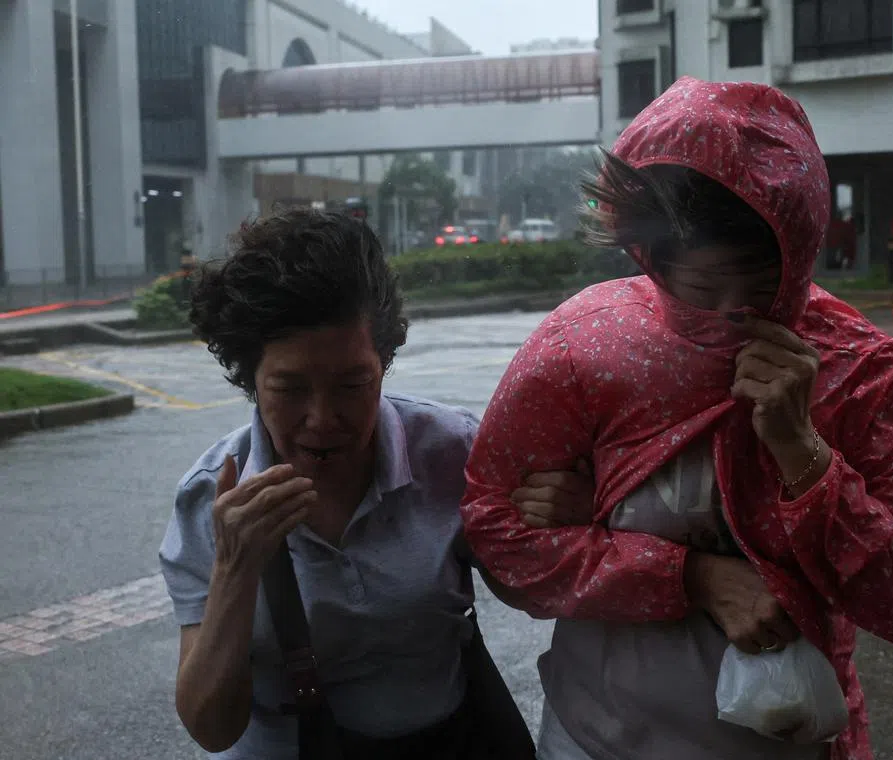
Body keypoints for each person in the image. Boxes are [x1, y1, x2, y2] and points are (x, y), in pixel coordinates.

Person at [462, 77, 893, 760]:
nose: (732, 316)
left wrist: (803, 455)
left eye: (760, 289)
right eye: (701, 288)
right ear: (650, 258)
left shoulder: (860, 372)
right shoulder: (585, 348)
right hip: (595, 739)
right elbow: (498, 538)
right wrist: (688, 576)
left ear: (802, 252)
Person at [158, 209, 594, 759]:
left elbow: (528, 593)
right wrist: (235, 567)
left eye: (352, 384)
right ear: (250, 378)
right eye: (290, 388)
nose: (322, 418)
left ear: (384, 362)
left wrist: (567, 522)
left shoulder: (452, 450)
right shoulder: (211, 497)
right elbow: (210, 727)